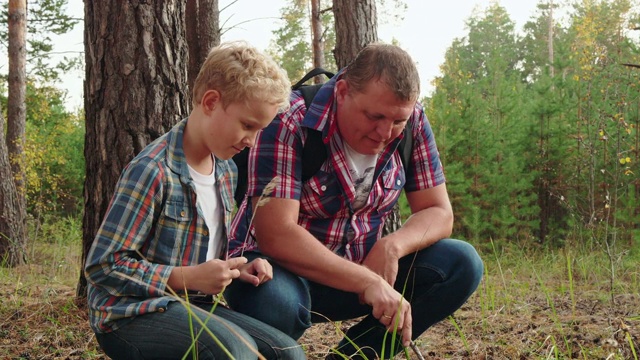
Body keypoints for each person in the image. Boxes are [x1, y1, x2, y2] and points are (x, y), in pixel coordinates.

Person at [225, 43, 484, 359]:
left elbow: (438, 211)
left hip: (364, 272)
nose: (385, 132)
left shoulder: (413, 121)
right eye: (374, 116)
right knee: (274, 303)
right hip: (277, 272)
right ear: (343, 92)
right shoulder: (289, 119)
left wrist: (392, 247)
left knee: (461, 263)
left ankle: (355, 356)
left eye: (397, 121)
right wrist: (366, 281)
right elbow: (275, 234)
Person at [84, 41, 306, 360]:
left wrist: (237, 267)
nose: (252, 141)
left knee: (288, 352)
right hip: (128, 315)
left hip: (191, 305)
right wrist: (186, 278)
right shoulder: (153, 170)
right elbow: (104, 266)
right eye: (247, 125)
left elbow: (205, 249)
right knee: (235, 352)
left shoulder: (226, 171)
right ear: (211, 101)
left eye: (260, 130)